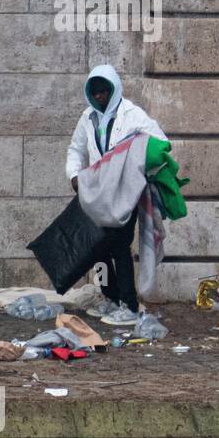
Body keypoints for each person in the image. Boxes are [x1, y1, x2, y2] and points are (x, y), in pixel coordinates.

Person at [66, 64, 166, 325]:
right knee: (98, 247)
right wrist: (74, 176)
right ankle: (111, 297)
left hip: (125, 193)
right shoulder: (88, 117)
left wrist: (133, 162)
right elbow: (75, 149)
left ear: (113, 89)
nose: (99, 96)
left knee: (119, 246)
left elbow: (159, 142)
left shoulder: (132, 115)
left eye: (104, 91)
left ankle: (130, 305)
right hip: (99, 193)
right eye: (95, 91)